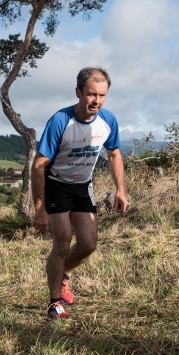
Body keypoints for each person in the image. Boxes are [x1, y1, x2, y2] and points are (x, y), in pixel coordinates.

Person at [31, 66, 127, 319]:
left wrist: (121, 190)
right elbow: (39, 165)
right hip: (57, 184)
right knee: (62, 243)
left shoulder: (108, 120)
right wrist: (39, 208)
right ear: (78, 92)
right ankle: (54, 303)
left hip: (83, 186)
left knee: (88, 244)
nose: (97, 101)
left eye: (102, 95)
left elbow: (114, 153)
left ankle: (63, 275)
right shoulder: (61, 121)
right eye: (91, 94)